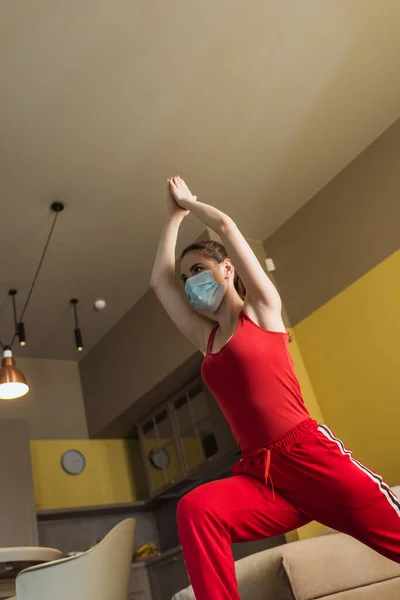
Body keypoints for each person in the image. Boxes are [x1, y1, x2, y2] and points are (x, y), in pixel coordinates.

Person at [150, 176, 400, 600]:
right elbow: (160, 282)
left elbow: (227, 227)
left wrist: (190, 204)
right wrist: (172, 219)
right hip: (263, 474)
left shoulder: (262, 310)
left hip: (312, 458)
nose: (192, 282)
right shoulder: (206, 339)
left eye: (199, 271)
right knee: (197, 508)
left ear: (227, 269)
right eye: (187, 276)